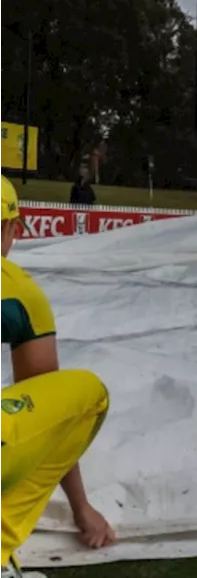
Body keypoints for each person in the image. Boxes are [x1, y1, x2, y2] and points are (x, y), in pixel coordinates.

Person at [0, 175, 115, 578]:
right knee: (89, 394)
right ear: (15, 227)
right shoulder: (18, 293)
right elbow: (48, 403)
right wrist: (81, 507)